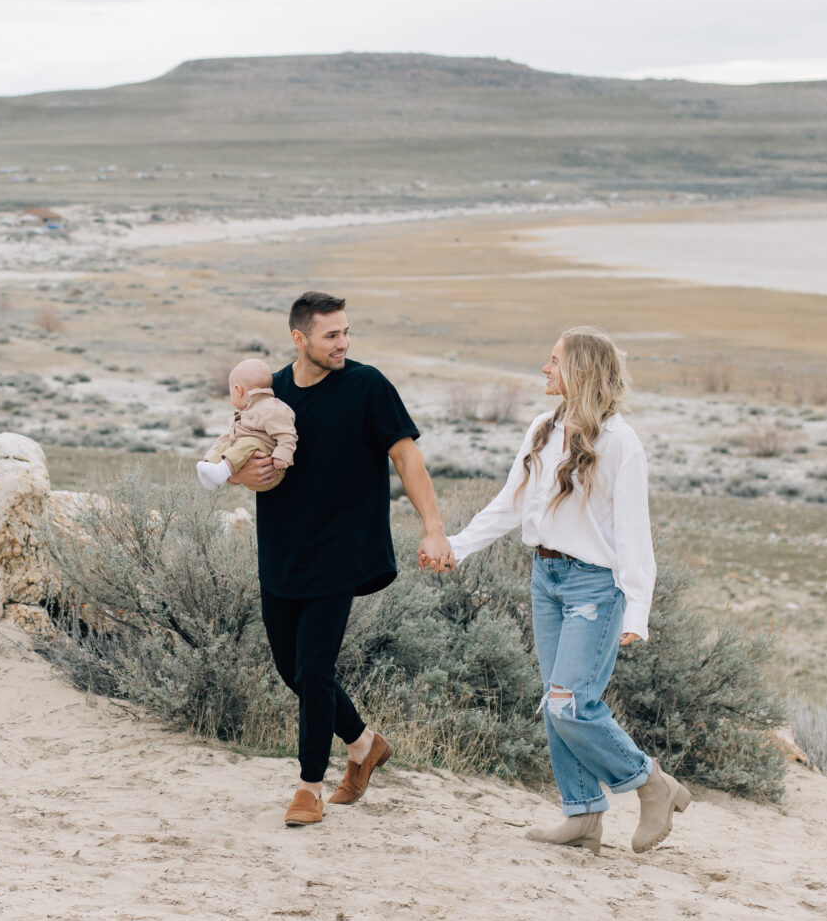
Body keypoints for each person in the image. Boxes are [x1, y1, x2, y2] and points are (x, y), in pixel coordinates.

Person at [434, 326, 689, 854]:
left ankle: (651, 784)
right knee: (555, 701)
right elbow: (509, 504)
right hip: (545, 580)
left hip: (595, 586)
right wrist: (457, 547)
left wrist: (637, 609)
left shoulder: (621, 442)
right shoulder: (541, 430)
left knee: (570, 705)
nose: (545, 370)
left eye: (553, 362)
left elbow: (634, 534)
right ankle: (583, 814)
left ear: (579, 371)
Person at [233, 291, 452, 827]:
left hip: (341, 550)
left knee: (313, 667)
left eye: (347, 333)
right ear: (299, 338)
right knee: (293, 670)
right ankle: (363, 744)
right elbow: (239, 452)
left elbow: (406, 455)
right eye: (332, 335)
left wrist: (433, 529)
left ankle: (308, 787)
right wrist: (242, 475)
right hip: (282, 549)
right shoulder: (273, 392)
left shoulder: (367, 385)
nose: (344, 344)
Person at [195, 358, 296, 492]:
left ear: (238, 390)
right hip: (249, 467)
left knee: (249, 442)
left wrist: (281, 457)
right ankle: (210, 469)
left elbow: (287, 435)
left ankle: (222, 470)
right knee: (227, 443)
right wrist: (212, 455)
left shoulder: (272, 408)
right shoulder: (243, 413)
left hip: (270, 470)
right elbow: (226, 438)